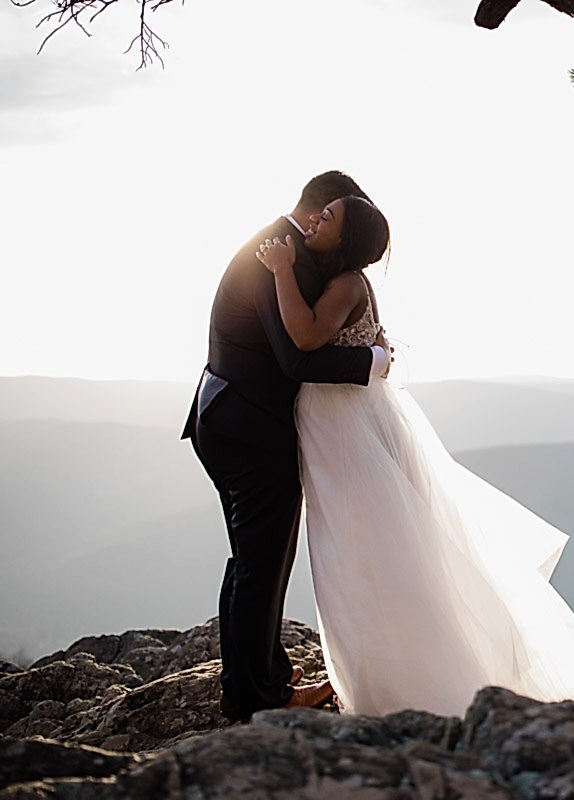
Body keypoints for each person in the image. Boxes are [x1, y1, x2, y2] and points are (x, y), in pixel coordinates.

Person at [256, 195, 574, 716]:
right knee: (352, 556)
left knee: (361, 559)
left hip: (346, 436)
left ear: (346, 240)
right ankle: (382, 681)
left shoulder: (347, 284)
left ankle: (403, 688)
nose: (316, 219)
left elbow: (303, 337)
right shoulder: (344, 282)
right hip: (340, 429)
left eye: (328, 218)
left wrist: (280, 270)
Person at [182, 172, 393, 722]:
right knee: (262, 561)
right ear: (320, 208)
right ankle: (257, 696)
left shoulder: (285, 246)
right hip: (247, 427)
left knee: (254, 559)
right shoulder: (282, 254)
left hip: (227, 415)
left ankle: (256, 676)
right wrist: (370, 362)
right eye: (330, 215)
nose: (325, 227)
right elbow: (296, 357)